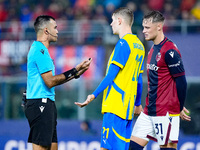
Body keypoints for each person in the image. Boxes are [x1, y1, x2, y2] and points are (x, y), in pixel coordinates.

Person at [75, 7, 145, 150]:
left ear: (119, 21)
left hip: (115, 105)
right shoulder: (139, 46)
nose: (111, 24)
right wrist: (137, 104)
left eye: (113, 21)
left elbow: (111, 75)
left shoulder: (123, 44)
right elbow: (139, 80)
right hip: (128, 108)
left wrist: (93, 95)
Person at [25, 15, 92, 150]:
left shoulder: (41, 50)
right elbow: (50, 82)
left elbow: (51, 81)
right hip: (40, 104)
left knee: (53, 146)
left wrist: (77, 72)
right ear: (46, 31)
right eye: (55, 28)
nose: (57, 31)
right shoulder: (40, 50)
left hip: (45, 103)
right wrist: (74, 71)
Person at [129, 10, 191, 150]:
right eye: (143, 27)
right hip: (148, 110)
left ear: (159, 26)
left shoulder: (170, 51)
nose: (144, 31)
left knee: (167, 147)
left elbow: (181, 81)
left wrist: (179, 106)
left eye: (147, 28)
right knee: (132, 147)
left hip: (165, 112)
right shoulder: (152, 49)